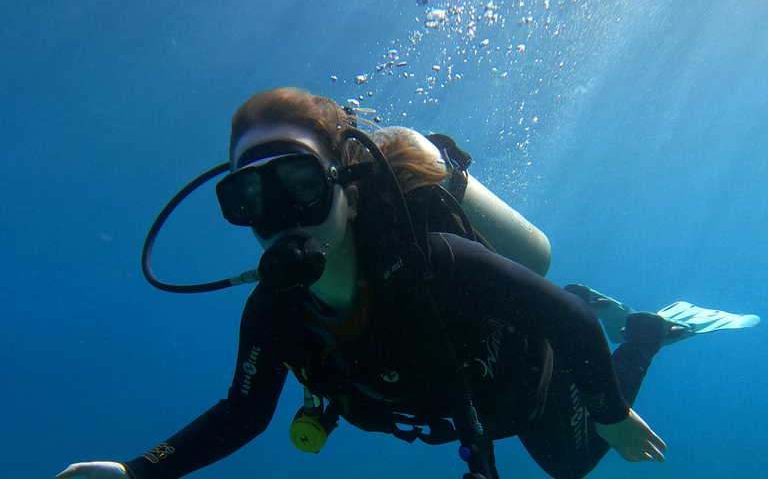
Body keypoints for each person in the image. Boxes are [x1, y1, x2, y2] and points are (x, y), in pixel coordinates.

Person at [56, 87, 757, 479]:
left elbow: (564, 328)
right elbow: (244, 411)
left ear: (345, 187)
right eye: (251, 199)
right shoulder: (275, 308)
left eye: (299, 185)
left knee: (572, 462)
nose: (280, 219)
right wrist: (137, 473)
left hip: (531, 380)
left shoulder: (435, 260)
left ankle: (646, 330)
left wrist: (608, 408)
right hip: (460, 405)